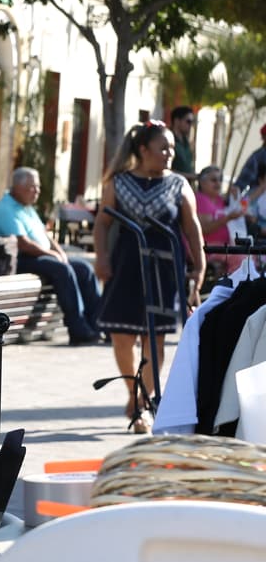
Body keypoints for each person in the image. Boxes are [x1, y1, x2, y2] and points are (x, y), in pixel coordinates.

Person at [93, 121, 205, 433]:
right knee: (122, 337)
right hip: (126, 266)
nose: (170, 153)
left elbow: (192, 227)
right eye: (164, 148)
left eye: (171, 147)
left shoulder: (179, 185)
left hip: (164, 269)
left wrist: (200, 265)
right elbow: (102, 223)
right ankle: (133, 392)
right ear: (143, 150)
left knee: (153, 341)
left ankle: (144, 403)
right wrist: (101, 257)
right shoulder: (118, 183)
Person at [0, 167, 102, 345]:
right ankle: (77, 328)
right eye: (33, 187)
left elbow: (45, 235)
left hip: (39, 256)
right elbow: (23, 244)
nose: (37, 191)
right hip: (19, 259)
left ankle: (97, 325)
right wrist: (53, 254)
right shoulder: (7, 208)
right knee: (62, 270)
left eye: (38, 187)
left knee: (84, 269)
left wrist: (60, 252)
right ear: (18, 187)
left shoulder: (26, 207)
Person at [194, 165, 249, 280]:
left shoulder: (219, 199)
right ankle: (233, 293)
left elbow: (243, 204)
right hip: (208, 248)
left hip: (224, 246)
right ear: (202, 182)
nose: (218, 183)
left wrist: (236, 197)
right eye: (213, 180)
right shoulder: (200, 199)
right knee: (242, 259)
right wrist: (228, 218)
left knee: (255, 257)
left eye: (220, 180)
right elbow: (205, 229)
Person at [168, 106, 197, 180]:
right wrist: (189, 176)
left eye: (192, 122)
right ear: (177, 121)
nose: (190, 125)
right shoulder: (166, 139)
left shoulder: (186, 141)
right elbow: (163, 169)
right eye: (188, 121)